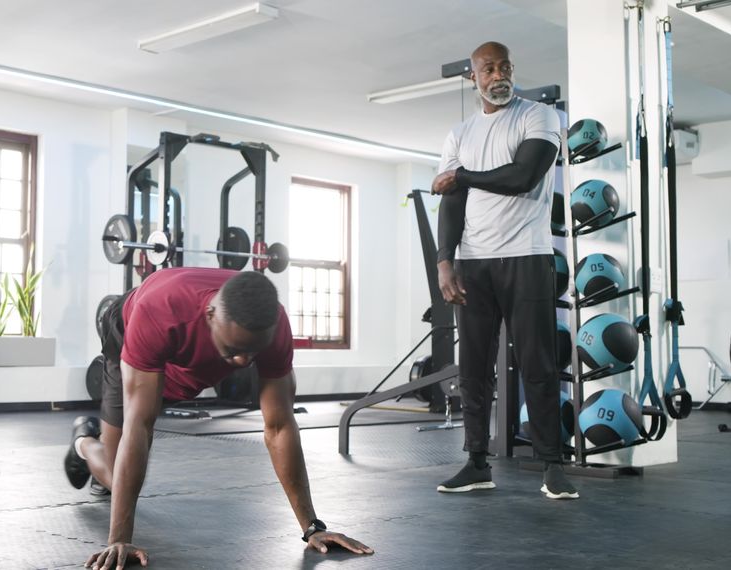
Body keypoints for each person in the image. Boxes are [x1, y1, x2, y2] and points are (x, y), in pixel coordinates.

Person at [65, 268, 374, 568]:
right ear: (211, 315)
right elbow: (140, 424)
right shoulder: (159, 311)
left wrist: (312, 527)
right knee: (115, 474)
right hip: (128, 329)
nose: (243, 361)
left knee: (127, 474)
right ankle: (83, 441)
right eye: (235, 350)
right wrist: (119, 539)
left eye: (252, 352)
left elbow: (279, 426)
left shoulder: (275, 325)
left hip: (186, 351)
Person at [431, 41, 579, 500]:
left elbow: (523, 177)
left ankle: (552, 466)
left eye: (506, 66)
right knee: (474, 367)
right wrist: (444, 262)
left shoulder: (538, 116)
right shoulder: (460, 134)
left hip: (527, 256)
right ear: (472, 76)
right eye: (489, 68)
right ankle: (477, 462)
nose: (499, 75)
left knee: (538, 363)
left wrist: (464, 177)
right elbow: (451, 202)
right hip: (474, 263)